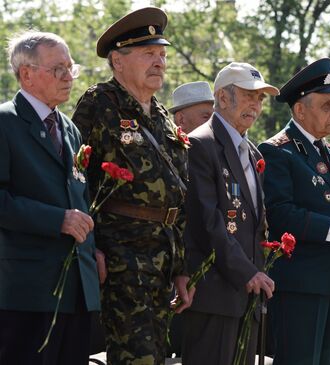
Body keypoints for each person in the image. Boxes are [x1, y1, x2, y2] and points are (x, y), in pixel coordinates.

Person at [72, 7, 191, 364]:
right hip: (122, 258)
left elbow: (178, 193)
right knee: (134, 358)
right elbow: (76, 180)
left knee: (156, 355)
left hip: (163, 260)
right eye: (148, 54)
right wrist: (90, 248)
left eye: (162, 55)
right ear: (117, 61)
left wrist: (182, 267)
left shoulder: (162, 115)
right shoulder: (99, 104)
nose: (159, 62)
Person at [258, 58, 330, 365]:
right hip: (300, 284)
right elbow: (279, 214)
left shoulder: (327, 152)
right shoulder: (277, 150)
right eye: (327, 105)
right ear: (300, 110)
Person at [0, 30, 100, 365]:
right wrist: (57, 220)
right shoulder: (4, 122)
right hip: (27, 291)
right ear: (26, 74)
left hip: (77, 289)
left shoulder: (70, 128)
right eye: (58, 69)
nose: (69, 77)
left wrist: (92, 249)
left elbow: (79, 196)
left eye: (72, 68)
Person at [182, 62, 279, 365]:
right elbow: (207, 222)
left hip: (245, 295)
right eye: (249, 95)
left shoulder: (253, 152)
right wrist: (247, 272)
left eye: (260, 98)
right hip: (215, 294)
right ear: (223, 98)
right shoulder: (201, 143)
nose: (256, 105)